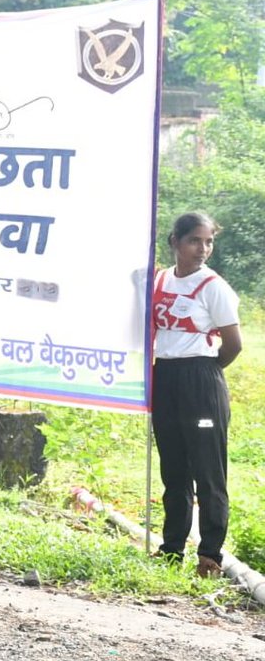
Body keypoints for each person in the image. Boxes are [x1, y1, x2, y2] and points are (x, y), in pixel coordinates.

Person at [151, 211, 242, 579]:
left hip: (202, 378)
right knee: (174, 470)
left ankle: (209, 556)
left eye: (208, 242)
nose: (203, 249)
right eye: (194, 241)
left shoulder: (214, 287)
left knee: (208, 471)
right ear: (175, 241)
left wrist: (204, 373)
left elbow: (233, 345)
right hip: (166, 377)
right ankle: (171, 548)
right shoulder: (159, 280)